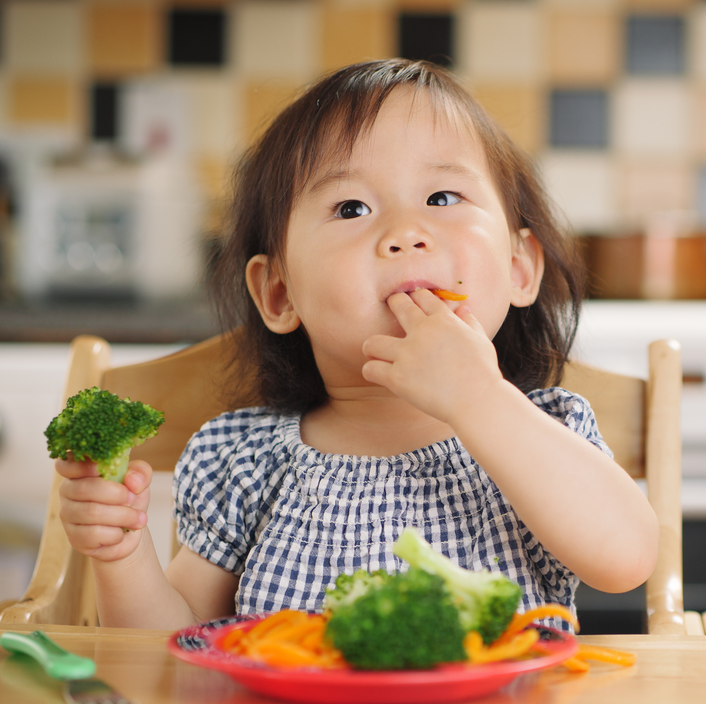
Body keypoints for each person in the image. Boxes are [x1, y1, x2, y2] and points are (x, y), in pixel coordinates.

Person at [55, 59, 658, 629]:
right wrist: (121, 556)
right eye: (351, 207)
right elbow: (175, 645)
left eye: (443, 198)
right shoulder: (247, 461)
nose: (405, 234)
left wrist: (479, 397)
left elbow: (625, 558)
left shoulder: (544, 433)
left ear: (520, 267)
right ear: (279, 294)